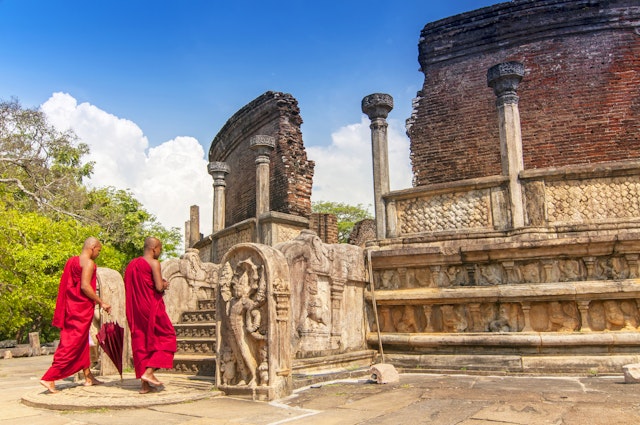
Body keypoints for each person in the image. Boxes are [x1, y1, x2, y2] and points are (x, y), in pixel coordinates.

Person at [40, 237, 112, 393]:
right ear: (92, 247)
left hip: (71, 308)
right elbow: (85, 286)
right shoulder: (89, 263)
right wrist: (102, 302)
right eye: (99, 250)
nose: (98, 253)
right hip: (80, 310)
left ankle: (88, 377)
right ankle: (49, 378)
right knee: (70, 344)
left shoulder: (72, 261)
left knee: (81, 343)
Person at [124, 236, 176, 394]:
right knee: (168, 337)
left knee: (141, 343)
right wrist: (165, 284)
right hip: (152, 308)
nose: (160, 252)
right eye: (160, 249)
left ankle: (144, 385)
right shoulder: (154, 263)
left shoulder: (132, 265)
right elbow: (159, 287)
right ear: (154, 249)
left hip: (136, 310)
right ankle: (149, 372)